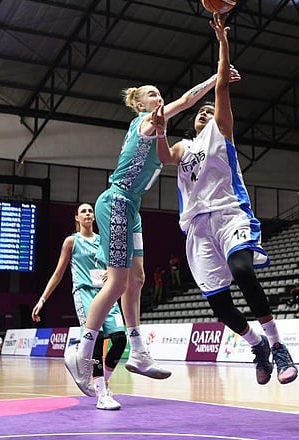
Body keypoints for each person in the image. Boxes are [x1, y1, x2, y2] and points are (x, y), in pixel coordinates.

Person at [153, 13, 298, 386]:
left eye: (208, 112)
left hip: (229, 215)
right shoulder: (184, 147)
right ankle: (257, 346)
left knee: (243, 271)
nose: (204, 114)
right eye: (199, 115)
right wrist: (158, 130)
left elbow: (220, 88)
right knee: (220, 306)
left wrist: (222, 40)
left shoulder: (222, 132)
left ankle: (278, 346)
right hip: (198, 229)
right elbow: (164, 156)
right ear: (192, 125)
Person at [64, 66, 225, 397]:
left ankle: (137, 351)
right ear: (139, 104)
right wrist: (215, 80)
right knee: (118, 282)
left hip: (132, 207)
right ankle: (81, 353)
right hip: (118, 200)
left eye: (157, 92)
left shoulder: (156, 125)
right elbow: (185, 100)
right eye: (151, 93)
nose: (158, 96)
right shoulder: (148, 121)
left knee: (136, 280)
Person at [32, 203, 127, 410]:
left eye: (90, 211)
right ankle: (102, 394)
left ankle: (100, 381)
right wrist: (42, 300)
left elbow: (115, 267)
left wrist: (111, 273)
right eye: (83, 211)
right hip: (84, 293)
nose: (88, 213)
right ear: (76, 217)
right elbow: (58, 273)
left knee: (120, 340)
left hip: (106, 292)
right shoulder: (71, 241)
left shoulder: (103, 240)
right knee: (98, 338)